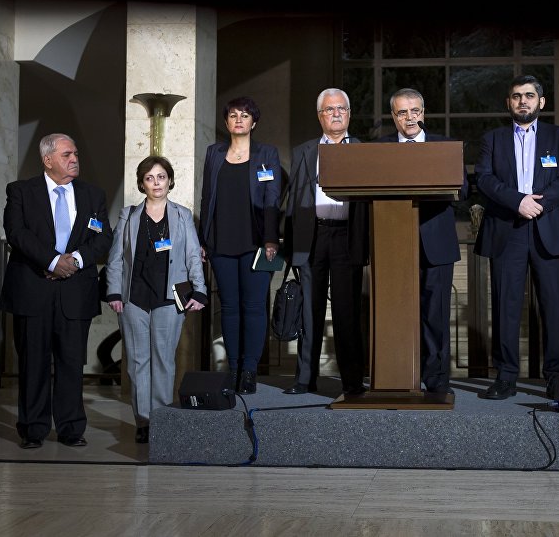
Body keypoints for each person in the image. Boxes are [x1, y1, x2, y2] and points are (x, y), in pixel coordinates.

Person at [1, 133, 113, 449]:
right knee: (33, 362)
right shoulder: (21, 191)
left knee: (71, 362)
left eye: (76, 153)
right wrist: (52, 261)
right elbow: (16, 233)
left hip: (75, 292)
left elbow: (103, 238)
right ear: (47, 159)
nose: (74, 159)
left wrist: (74, 261)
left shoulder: (94, 194)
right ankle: (33, 429)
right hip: (33, 289)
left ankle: (71, 428)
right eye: (67, 154)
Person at [474, 75, 559, 400]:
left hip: (548, 228)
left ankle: (557, 376)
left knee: (553, 307)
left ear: (541, 102)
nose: (523, 101)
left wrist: (539, 204)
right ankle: (506, 376)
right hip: (508, 230)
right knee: (506, 305)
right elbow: (484, 178)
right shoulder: (492, 139)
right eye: (517, 96)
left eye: (529, 96)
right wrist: (517, 201)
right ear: (509, 103)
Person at [105, 156, 207, 443]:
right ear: (141, 184)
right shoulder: (128, 215)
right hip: (134, 297)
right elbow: (115, 259)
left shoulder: (182, 215)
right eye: (149, 178)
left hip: (168, 299)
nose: (156, 183)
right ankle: (143, 422)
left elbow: (192, 255)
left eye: (161, 177)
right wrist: (114, 292)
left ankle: (160, 419)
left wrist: (199, 289)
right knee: (137, 362)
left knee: (164, 361)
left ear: (170, 181)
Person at [375, 88, 468, 394]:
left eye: (415, 111)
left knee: (435, 316)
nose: (410, 118)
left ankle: (437, 379)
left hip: (436, 243)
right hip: (393, 244)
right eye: (402, 112)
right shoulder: (381, 148)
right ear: (394, 117)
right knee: (396, 315)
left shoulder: (444, 145)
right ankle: (398, 377)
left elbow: (463, 189)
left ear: (424, 113)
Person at [282, 88, 368, 395]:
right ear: (320, 116)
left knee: (347, 312)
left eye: (341, 109)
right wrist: (291, 249)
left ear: (349, 114)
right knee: (310, 312)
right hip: (312, 236)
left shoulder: (361, 149)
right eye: (330, 109)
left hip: (346, 238)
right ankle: (305, 379)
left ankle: (353, 382)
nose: (336, 114)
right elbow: (294, 200)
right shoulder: (304, 150)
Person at [199, 97, 281, 395]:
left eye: (244, 115)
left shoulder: (266, 153)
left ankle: (249, 371)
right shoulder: (214, 153)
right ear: (226, 122)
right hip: (220, 241)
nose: (238, 119)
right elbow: (206, 198)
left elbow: (273, 198)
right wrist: (202, 239)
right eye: (233, 115)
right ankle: (232, 370)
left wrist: (271, 238)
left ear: (253, 123)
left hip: (256, 242)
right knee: (229, 308)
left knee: (255, 307)